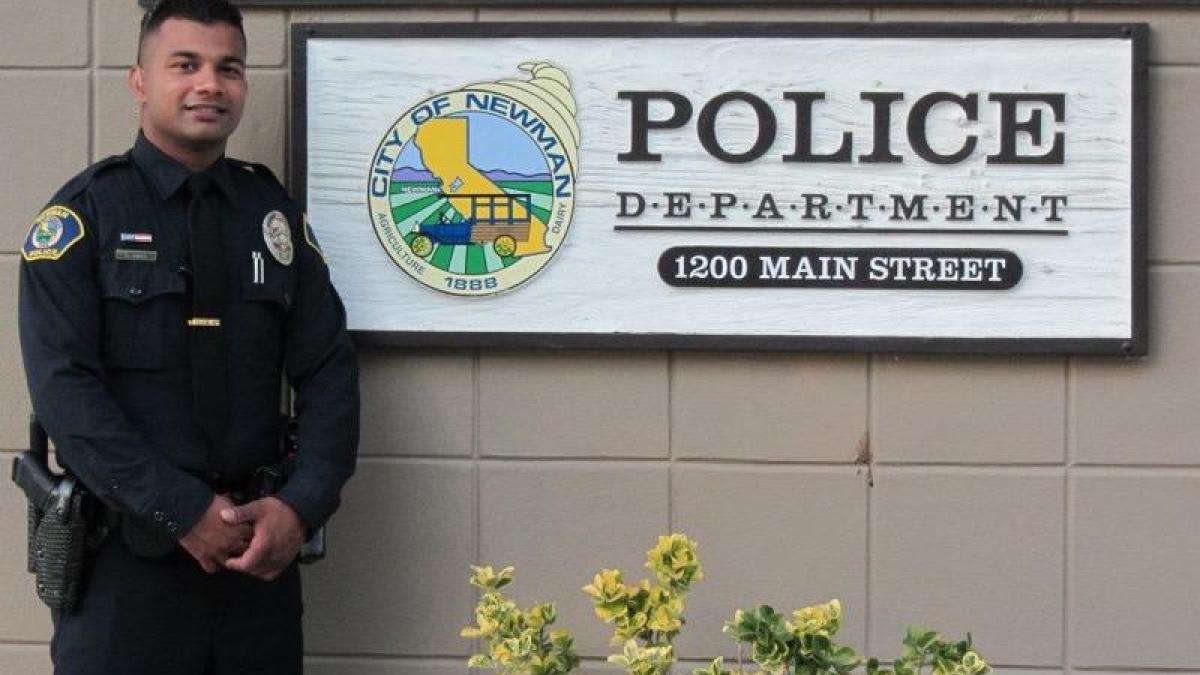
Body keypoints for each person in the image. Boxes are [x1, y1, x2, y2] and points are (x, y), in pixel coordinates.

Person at [17, 0, 359, 672]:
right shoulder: (83, 218)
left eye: (228, 67)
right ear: (140, 81)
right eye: (186, 65)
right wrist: (183, 510)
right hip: (125, 570)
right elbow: (66, 396)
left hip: (257, 568)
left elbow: (329, 370)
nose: (209, 84)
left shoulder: (272, 216)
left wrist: (301, 505)